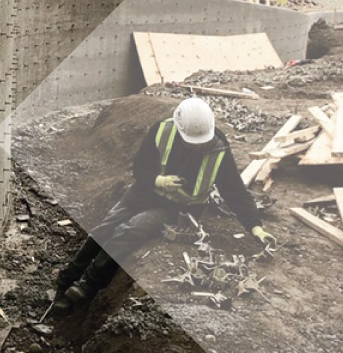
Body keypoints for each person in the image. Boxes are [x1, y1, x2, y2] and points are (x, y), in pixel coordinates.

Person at [54, 97, 276, 312]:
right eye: (192, 143)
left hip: (178, 210)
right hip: (143, 194)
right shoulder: (162, 131)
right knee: (104, 228)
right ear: (180, 131)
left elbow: (234, 190)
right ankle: (66, 281)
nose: (197, 148)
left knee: (131, 229)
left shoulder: (219, 147)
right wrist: (158, 180)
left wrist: (255, 227)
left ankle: (87, 285)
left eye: (201, 143)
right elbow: (139, 167)